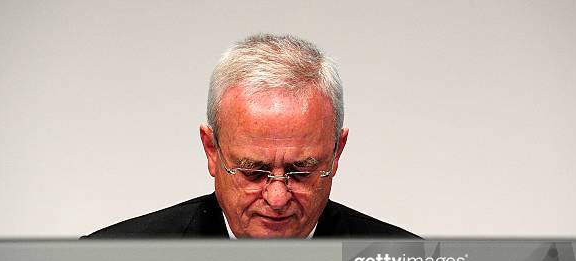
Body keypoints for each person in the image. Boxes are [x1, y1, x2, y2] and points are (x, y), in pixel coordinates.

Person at [87, 34, 417, 239]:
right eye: (253, 172)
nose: (277, 198)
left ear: (336, 152)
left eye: (300, 171)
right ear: (211, 151)